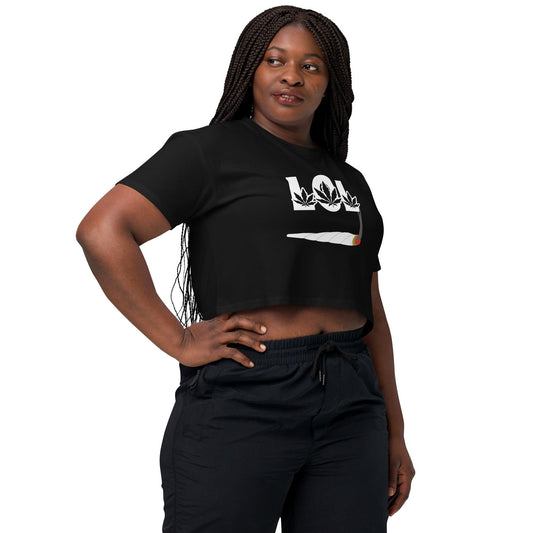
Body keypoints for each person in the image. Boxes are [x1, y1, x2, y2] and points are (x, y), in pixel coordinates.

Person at [76, 5, 415, 532]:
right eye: (275, 60)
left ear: (332, 83)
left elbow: (370, 309)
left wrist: (394, 429)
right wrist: (178, 340)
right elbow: (102, 231)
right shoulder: (207, 152)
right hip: (248, 392)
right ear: (249, 71)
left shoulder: (350, 180)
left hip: (353, 401)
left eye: (311, 65)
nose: (291, 76)